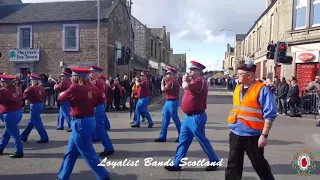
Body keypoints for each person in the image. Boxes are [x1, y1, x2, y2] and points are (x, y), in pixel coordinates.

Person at [164, 61, 220, 171]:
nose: (190, 72)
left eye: (193, 70)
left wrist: (185, 79)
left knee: (202, 140)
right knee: (183, 141)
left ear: (199, 71)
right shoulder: (195, 80)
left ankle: (214, 160)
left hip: (196, 117)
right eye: (190, 70)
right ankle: (177, 164)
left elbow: (185, 86)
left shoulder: (200, 82)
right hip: (188, 117)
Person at [56, 67, 110, 180]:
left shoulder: (75, 88)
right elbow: (100, 101)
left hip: (79, 122)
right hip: (89, 120)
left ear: (76, 78)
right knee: (70, 152)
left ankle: (103, 176)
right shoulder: (93, 88)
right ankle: (62, 176)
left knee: (89, 154)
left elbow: (61, 97)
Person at [225, 61, 276, 180]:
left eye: (240, 74)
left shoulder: (262, 90)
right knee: (233, 164)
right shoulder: (238, 88)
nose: (237, 76)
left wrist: (264, 135)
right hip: (236, 132)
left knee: (259, 164)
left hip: (253, 135)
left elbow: (270, 114)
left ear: (249, 75)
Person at [89, 66, 115, 157]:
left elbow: (97, 94)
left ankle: (109, 147)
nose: (90, 74)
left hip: (97, 105)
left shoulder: (97, 82)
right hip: (99, 105)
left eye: (92, 72)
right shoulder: (101, 81)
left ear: (96, 73)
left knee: (100, 127)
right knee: (96, 126)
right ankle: (96, 138)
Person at [0, 74, 24, 158]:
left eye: (2, 81)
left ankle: (19, 151)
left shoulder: (3, 91)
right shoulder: (17, 89)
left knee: (15, 134)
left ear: (6, 83)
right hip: (18, 112)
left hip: (9, 114)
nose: (0, 83)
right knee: (7, 133)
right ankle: (1, 148)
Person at [20, 73, 49, 143]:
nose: (30, 82)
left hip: (34, 105)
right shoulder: (41, 88)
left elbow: (24, 96)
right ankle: (24, 136)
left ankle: (44, 137)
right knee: (31, 122)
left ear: (34, 81)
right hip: (40, 104)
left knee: (37, 122)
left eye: (31, 80)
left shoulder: (30, 88)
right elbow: (45, 96)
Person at [155, 67, 181, 143]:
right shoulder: (172, 81)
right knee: (165, 119)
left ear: (173, 75)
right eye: (167, 74)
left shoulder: (172, 81)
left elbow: (164, 90)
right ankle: (162, 136)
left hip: (172, 101)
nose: (167, 75)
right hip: (169, 101)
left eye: (169, 74)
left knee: (175, 119)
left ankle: (181, 136)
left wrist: (162, 83)